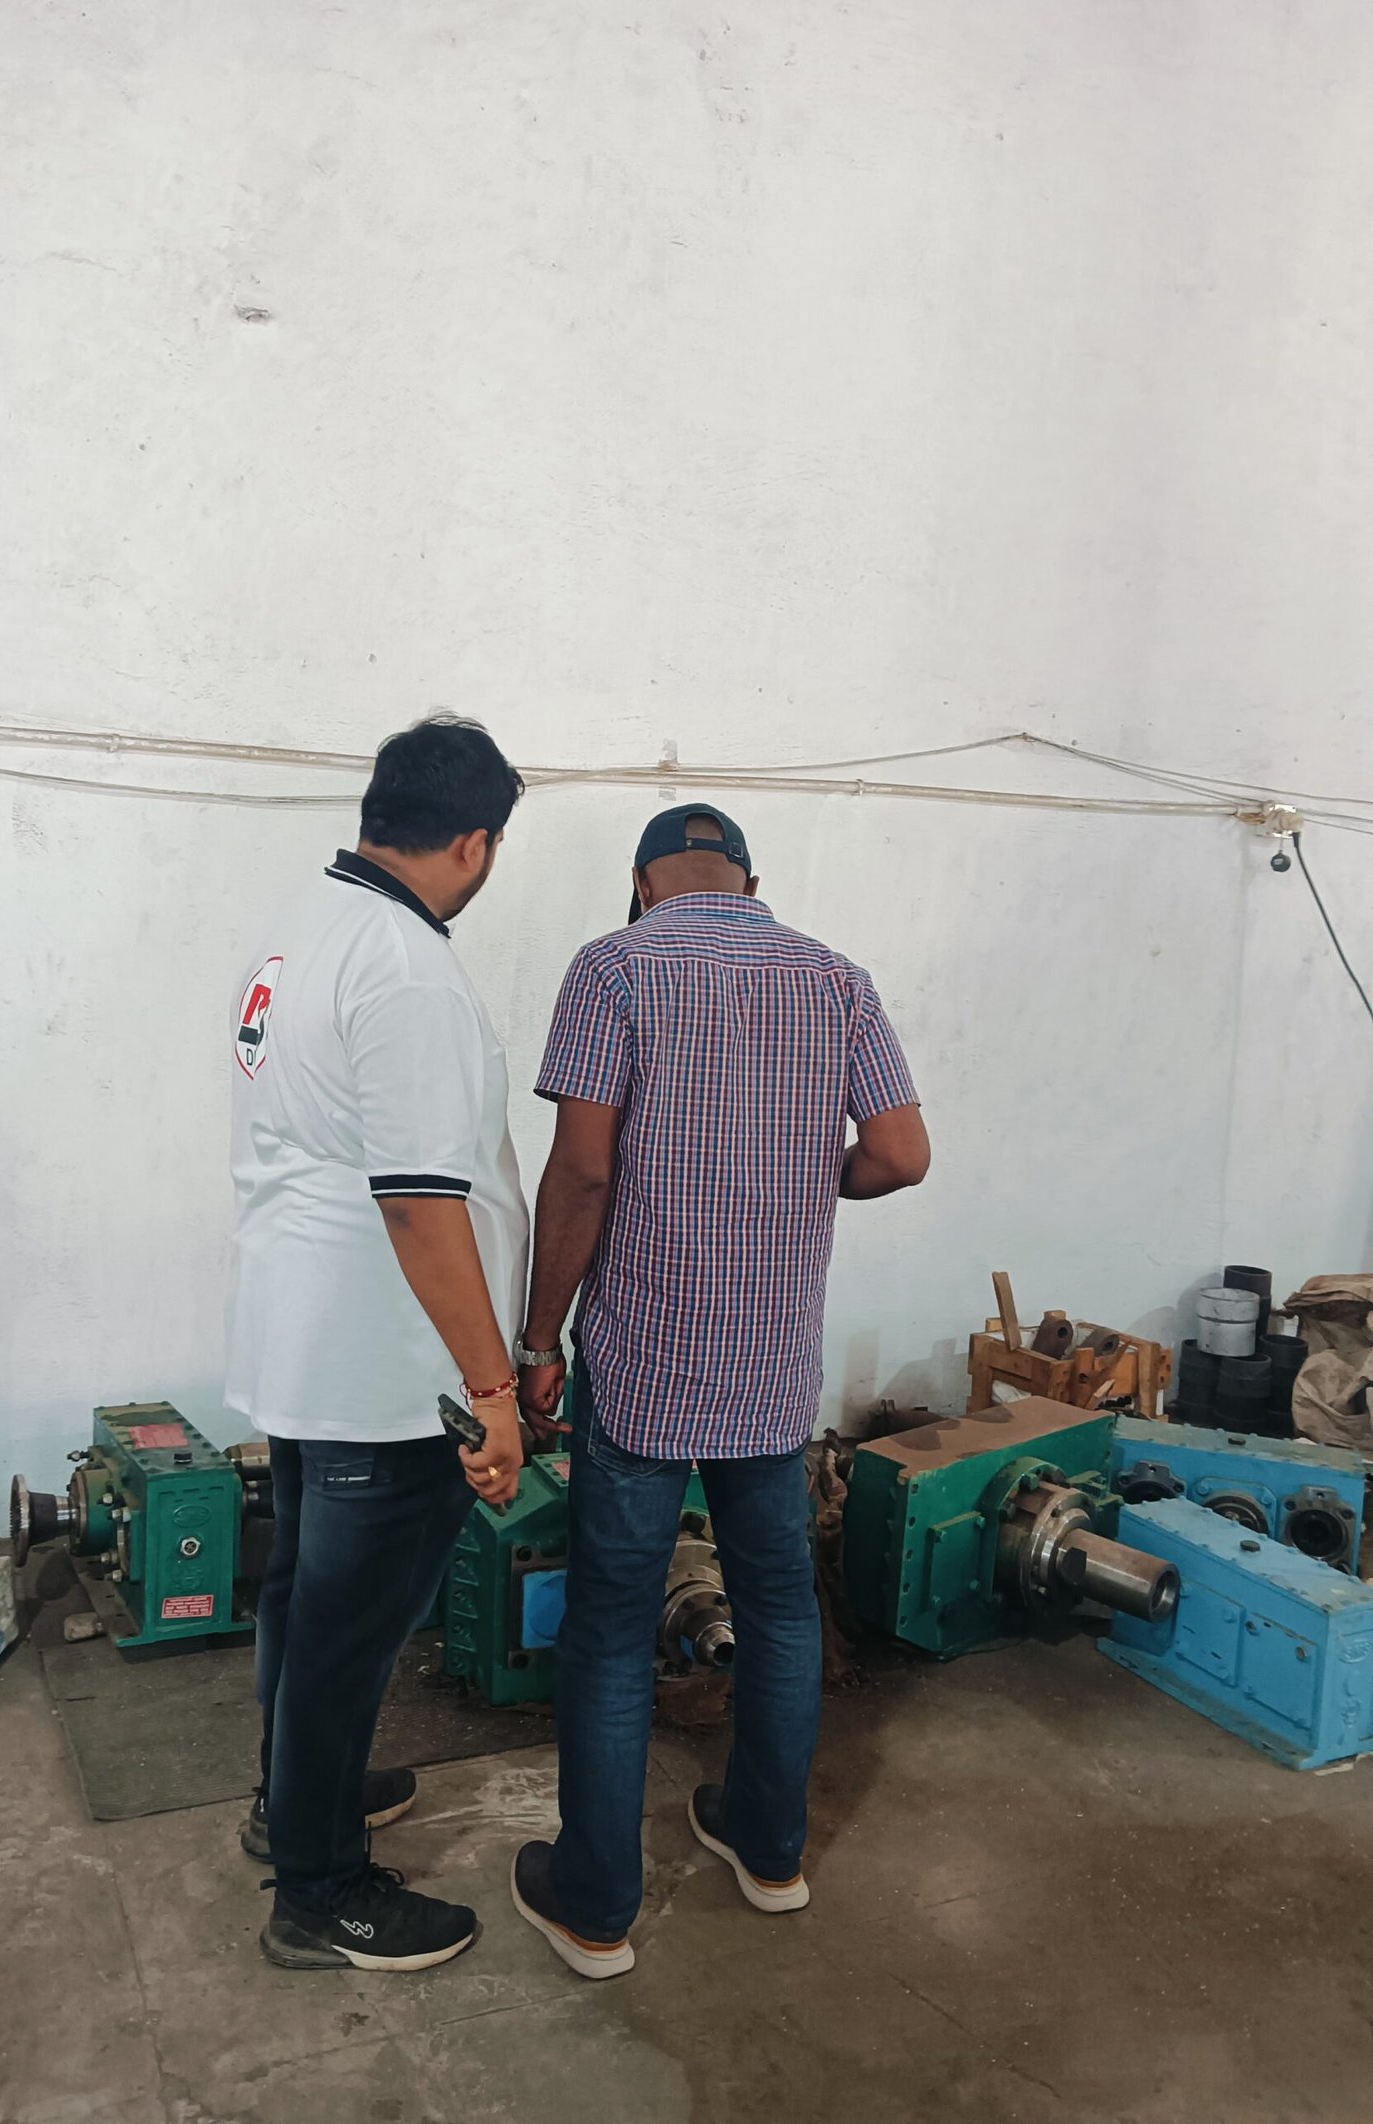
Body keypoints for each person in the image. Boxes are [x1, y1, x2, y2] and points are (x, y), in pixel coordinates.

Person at [507, 804, 930, 1978]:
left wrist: (538, 1338)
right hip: (770, 1366)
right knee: (782, 1607)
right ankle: (769, 1850)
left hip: (644, 1357)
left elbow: (582, 1172)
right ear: (751, 880)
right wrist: (801, 1177)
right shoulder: (837, 980)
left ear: (640, 881)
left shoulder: (612, 968)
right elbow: (901, 1155)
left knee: (609, 1628)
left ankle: (595, 1909)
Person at [226, 714, 530, 1975]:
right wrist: (492, 1387)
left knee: (304, 1602)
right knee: (345, 1633)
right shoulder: (404, 969)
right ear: (474, 843)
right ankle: (320, 1891)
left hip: (307, 1342)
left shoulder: (303, 930)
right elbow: (417, 1202)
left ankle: (294, 1800)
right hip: (378, 1366)